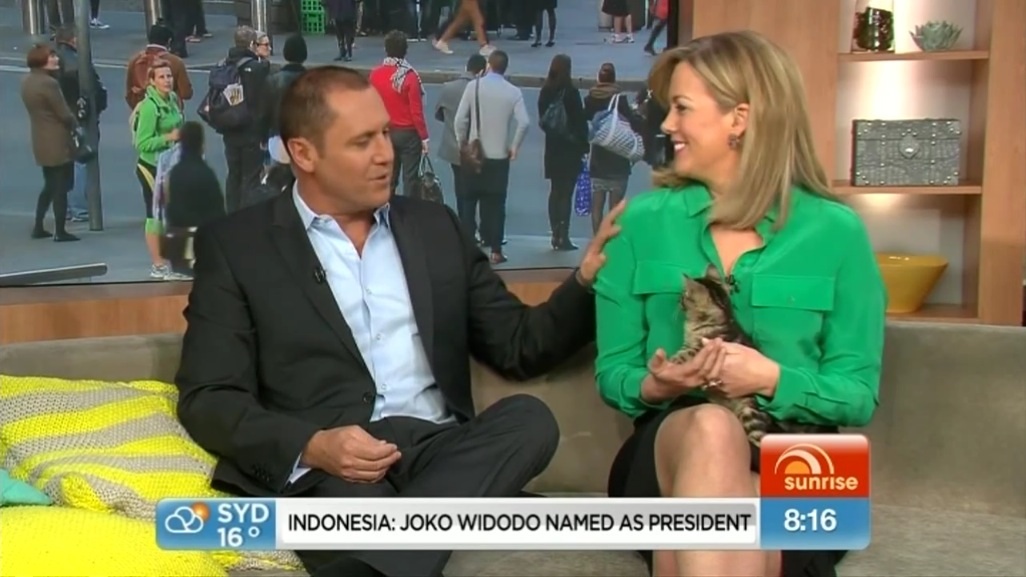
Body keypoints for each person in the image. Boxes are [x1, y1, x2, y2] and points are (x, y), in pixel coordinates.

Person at [173, 65, 624, 577]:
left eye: (385, 134)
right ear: (304, 153)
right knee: (352, 508)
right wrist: (313, 446)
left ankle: (381, 555)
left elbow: (520, 344)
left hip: (439, 450)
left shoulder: (435, 228)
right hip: (334, 471)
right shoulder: (239, 246)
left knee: (529, 420)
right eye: (362, 141)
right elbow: (209, 396)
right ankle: (435, 529)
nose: (386, 154)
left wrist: (587, 280)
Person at [595, 31, 886, 577]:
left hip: (803, 458)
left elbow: (858, 394)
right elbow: (613, 374)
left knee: (710, 529)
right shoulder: (640, 224)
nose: (666, 125)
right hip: (669, 448)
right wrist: (656, 386)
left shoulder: (836, 232)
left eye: (682, 108)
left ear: (740, 118)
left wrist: (770, 378)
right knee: (711, 429)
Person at [453, 50, 530, 264]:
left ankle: (468, 250)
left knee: (469, 202)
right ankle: (496, 250)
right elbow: (524, 122)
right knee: (496, 205)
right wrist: (514, 146)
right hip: (498, 157)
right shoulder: (513, 92)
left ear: (488, 65)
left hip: (475, 154)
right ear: (505, 67)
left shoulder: (473, 87)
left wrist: (462, 143)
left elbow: (460, 120)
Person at [21, 43, 79, 242]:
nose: (56, 59)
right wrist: (75, 123)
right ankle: (60, 231)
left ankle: (39, 225)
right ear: (41, 61)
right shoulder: (49, 84)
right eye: (51, 56)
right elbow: (63, 113)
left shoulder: (27, 81)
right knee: (61, 186)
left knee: (50, 184)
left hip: (40, 138)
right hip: (57, 139)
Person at [132, 60, 184, 280]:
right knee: (156, 216)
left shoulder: (172, 99)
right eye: (162, 77)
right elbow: (142, 143)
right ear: (152, 81)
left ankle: (176, 261)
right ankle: (158, 265)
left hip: (171, 165)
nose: (167, 80)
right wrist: (169, 137)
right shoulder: (149, 108)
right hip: (152, 167)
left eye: (169, 76)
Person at [537, 54, 588, 251]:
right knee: (566, 192)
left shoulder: (546, 91)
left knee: (555, 191)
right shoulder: (571, 93)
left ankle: (554, 233)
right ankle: (563, 236)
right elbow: (579, 122)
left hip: (552, 147)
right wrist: (584, 146)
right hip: (570, 148)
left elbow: (544, 120)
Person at [368, 31, 428, 197]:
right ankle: (408, 210)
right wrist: (424, 137)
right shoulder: (410, 76)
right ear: (405, 51)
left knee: (389, 178)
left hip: (386, 132)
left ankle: (388, 207)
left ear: (386, 49)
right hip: (408, 134)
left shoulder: (375, 75)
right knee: (410, 178)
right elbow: (416, 112)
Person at [583, 62, 641, 234]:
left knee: (597, 207)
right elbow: (632, 122)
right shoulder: (619, 99)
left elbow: (586, 122)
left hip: (598, 159)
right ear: (614, 79)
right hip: (618, 159)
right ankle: (612, 241)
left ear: (599, 78)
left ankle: (597, 239)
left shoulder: (590, 98)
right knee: (615, 209)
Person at [434, 53, 487, 240]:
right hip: (475, 149)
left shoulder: (448, 87)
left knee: (460, 188)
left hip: (453, 147)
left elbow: (439, 114)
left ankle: (464, 226)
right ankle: (473, 229)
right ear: (482, 70)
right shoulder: (481, 90)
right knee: (476, 191)